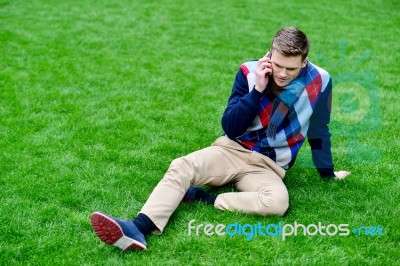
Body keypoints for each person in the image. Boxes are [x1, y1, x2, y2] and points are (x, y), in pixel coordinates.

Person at [89, 27, 351, 251]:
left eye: (291, 68)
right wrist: (258, 89)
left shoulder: (321, 80)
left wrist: (328, 173)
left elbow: (319, 129)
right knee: (183, 165)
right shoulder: (250, 73)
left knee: (278, 203)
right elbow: (231, 126)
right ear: (269, 54)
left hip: (269, 167)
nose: (282, 73)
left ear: (304, 62)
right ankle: (138, 227)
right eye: (278, 64)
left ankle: (202, 198)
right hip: (232, 149)